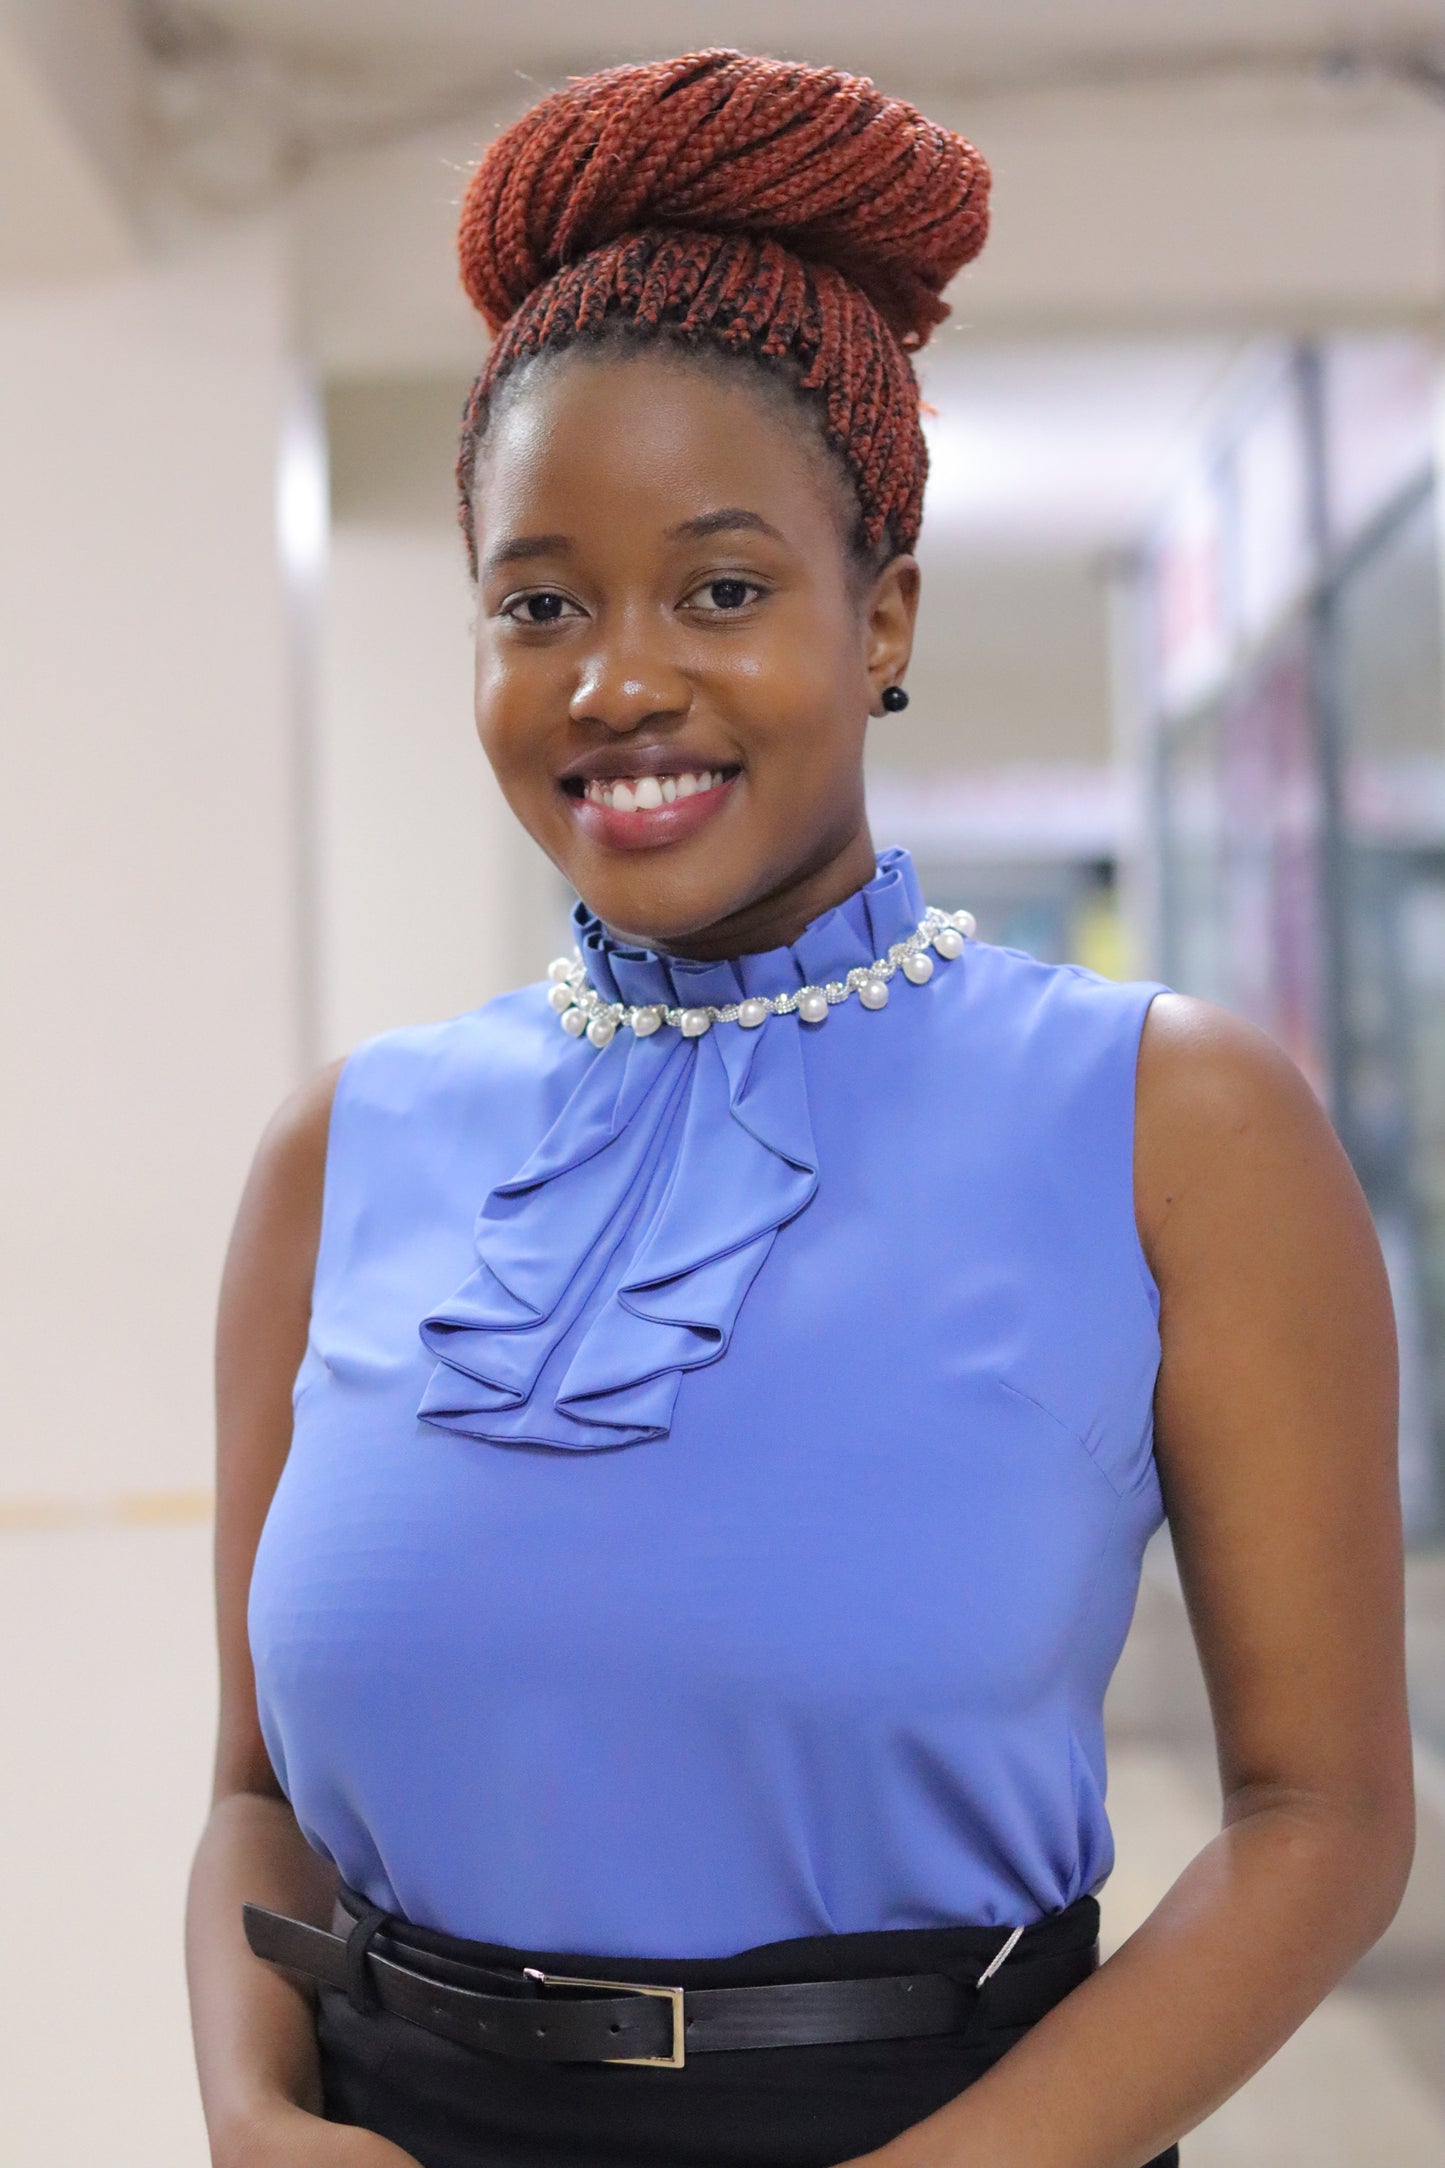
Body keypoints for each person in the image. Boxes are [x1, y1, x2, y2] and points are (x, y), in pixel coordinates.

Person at [185, 49, 1414, 2168]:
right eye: (538, 600)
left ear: (884, 619)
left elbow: (1323, 1820)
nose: (617, 678)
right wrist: (247, 2114)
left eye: (723, 589)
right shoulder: (341, 1152)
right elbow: (252, 1796)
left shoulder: (1167, 1119)